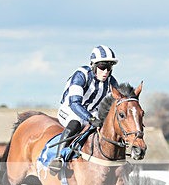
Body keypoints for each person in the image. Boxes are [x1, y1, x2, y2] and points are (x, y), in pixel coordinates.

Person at [48, 45, 120, 174]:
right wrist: (91, 119)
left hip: (92, 111)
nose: (105, 72)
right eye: (102, 67)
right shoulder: (81, 75)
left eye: (109, 68)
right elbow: (75, 103)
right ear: (93, 65)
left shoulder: (112, 82)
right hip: (70, 109)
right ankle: (57, 158)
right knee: (76, 123)